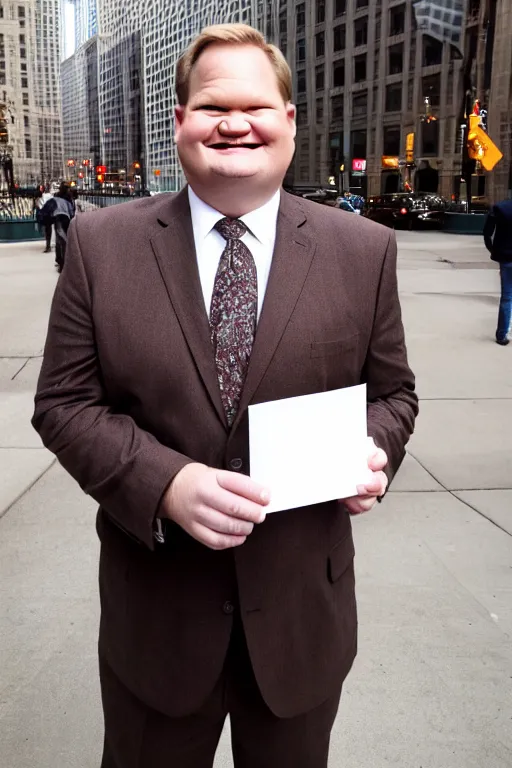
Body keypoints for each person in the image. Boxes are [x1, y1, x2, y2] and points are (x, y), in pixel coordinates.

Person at [32, 24, 418, 768]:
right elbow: (64, 404)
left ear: (289, 121)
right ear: (179, 122)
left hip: (303, 622)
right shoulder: (100, 245)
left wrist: (374, 448)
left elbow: (394, 394)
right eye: (212, 106)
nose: (234, 122)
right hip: (158, 625)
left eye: (255, 105)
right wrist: (165, 484)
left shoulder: (363, 250)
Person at [483, 198, 512, 345]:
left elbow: (487, 233)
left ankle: (502, 335)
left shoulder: (500, 208)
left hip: (506, 257)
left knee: (507, 297)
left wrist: (493, 250)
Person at [40, 182, 75, 272]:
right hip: (65, 217)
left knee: (60, 240)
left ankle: (61, 260)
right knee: (63, 240)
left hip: (59, 217)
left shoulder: (58, 197)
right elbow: (71, 209)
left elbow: (50, 206)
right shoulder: (69, 197)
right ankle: (63, 260)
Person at [34, 185, 54, 252]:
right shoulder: (39, 199)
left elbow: (40, 207)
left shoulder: (45, 196)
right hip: (47, 215)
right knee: (48, 230)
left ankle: (48, 245)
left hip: (47, 215)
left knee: (48, 230)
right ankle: (48, 245)